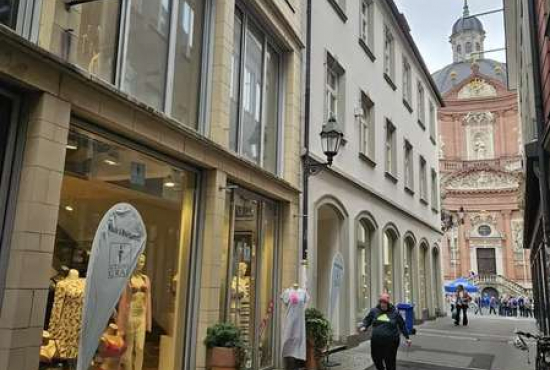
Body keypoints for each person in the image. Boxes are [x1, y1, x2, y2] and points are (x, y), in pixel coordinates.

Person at [360, 293, 411, 370]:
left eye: (384, 302)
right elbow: (367, 319)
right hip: (376, 341)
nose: (382, 304)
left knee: (389, 361)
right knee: (376, 358)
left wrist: (407, 337)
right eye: (381, 302)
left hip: (391, 342)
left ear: (388, 303)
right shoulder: (374, 311)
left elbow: (402, 325)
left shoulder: (395, 313)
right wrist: (364, 326)